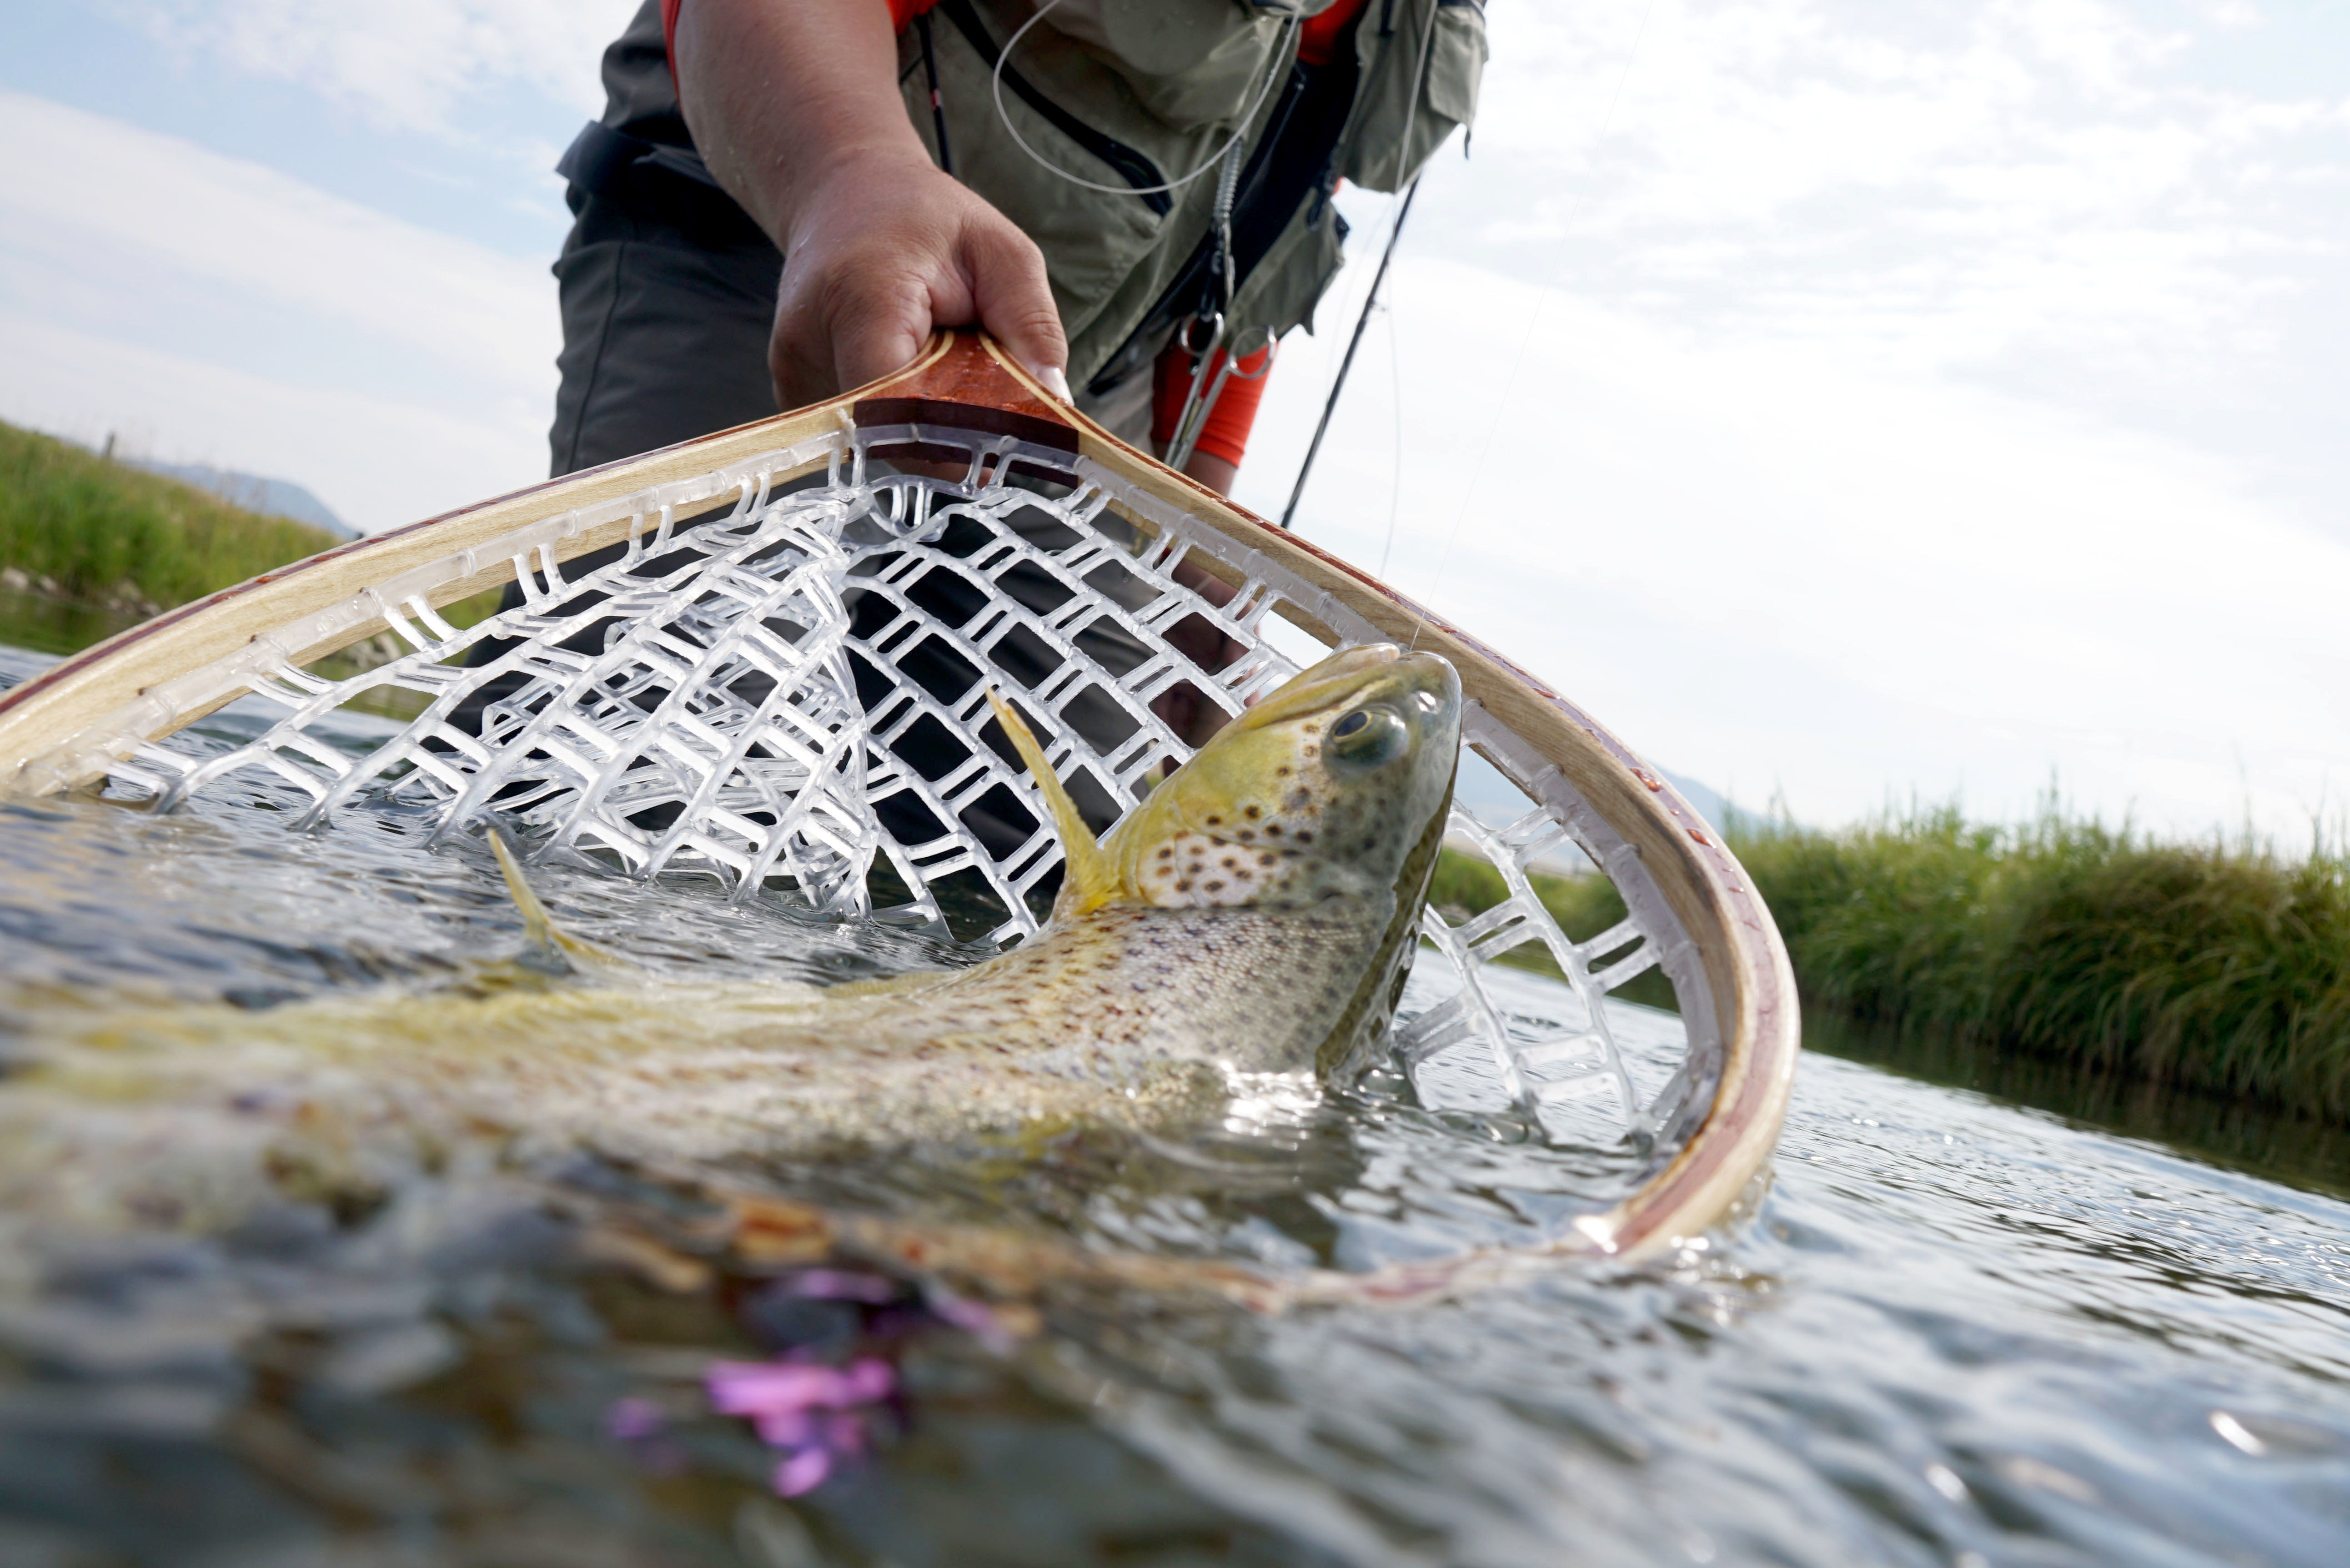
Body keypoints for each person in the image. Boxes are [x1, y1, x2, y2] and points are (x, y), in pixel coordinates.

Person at [548, 0, 1486, 496]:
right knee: (658, 737)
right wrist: (846, 173)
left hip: (1073, 388)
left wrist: (1202, 537)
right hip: (770, 243)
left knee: (1055, 814)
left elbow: (1265, 233)